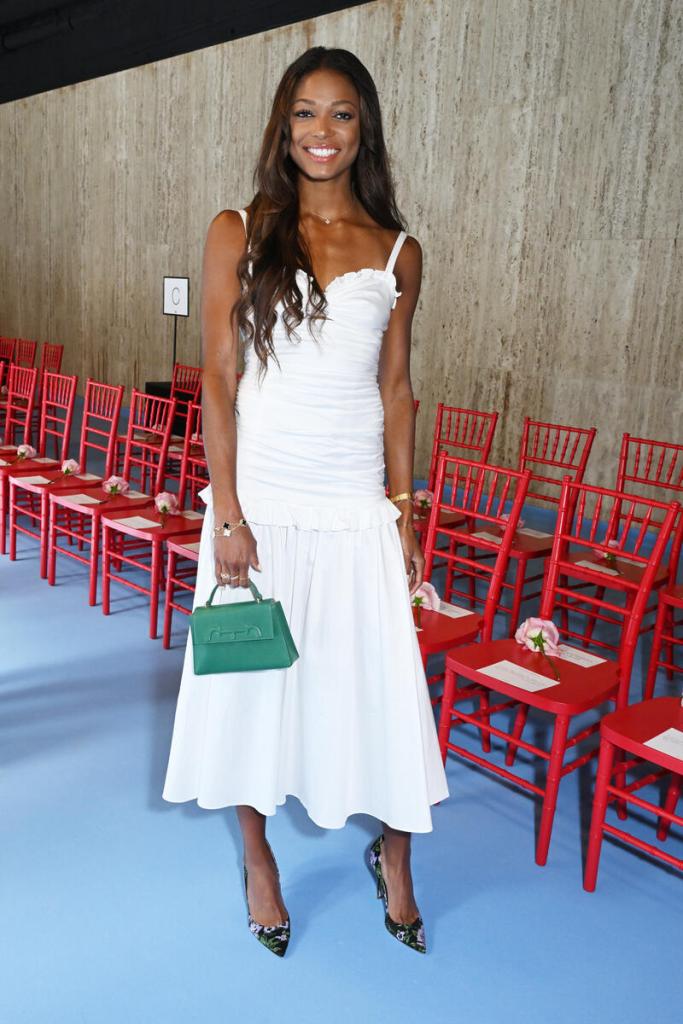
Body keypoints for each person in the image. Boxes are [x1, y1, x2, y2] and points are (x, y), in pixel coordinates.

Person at [163, 46, 449, 957]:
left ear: (363, 129)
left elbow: (397, 389)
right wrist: (230, 513)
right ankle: (258, 861)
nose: (320, 133)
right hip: (265, 505)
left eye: (341, 115)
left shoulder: (399, 251)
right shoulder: (236, 231)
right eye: (303, 114)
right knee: (252, 688)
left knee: (382, 691)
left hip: (355, 505)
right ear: (281, 128)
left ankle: (395, 860)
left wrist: (402, 510)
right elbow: (215, 376)